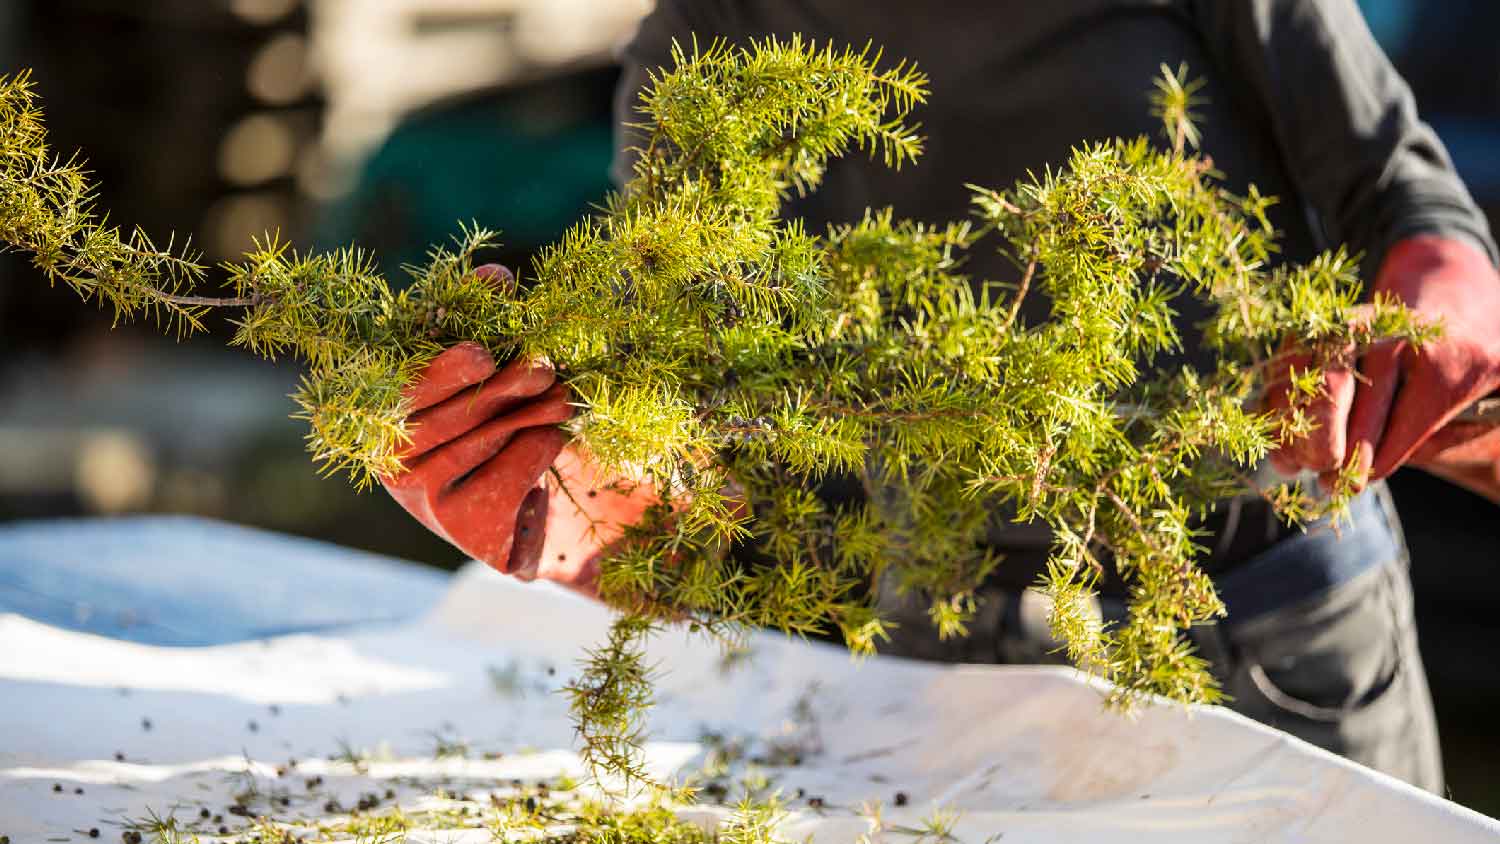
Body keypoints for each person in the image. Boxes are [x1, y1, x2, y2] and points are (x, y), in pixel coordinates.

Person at [379, 0, 1500, 793]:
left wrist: (1442, 301)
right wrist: (576, 511)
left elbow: (1409, 200)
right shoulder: (704, 43)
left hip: (1267, 615)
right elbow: (718, 484)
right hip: (935, 656)